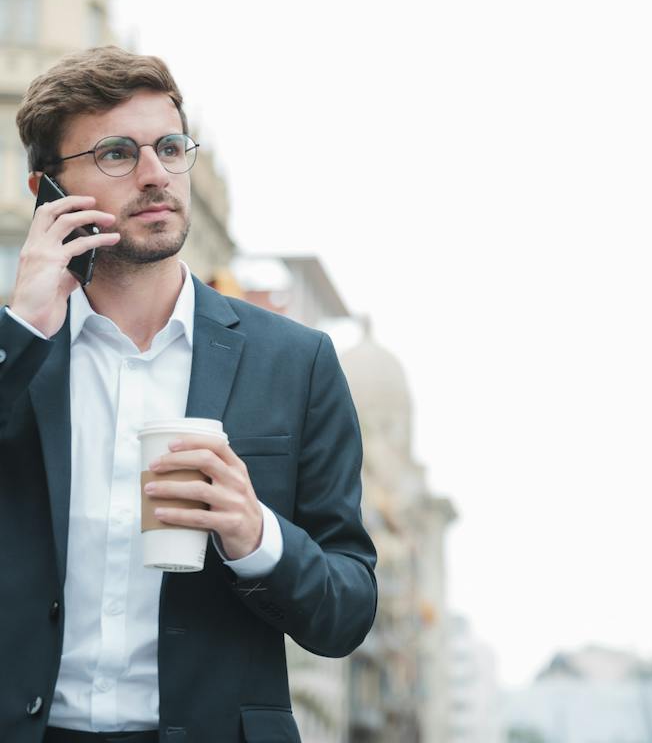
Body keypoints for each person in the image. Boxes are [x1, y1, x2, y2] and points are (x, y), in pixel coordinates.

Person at [0, 46, 377, 743]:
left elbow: (347, 612)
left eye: (170, 147)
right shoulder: (16, 350)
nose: (155, 175)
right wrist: (21, 328)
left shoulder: (296, 362)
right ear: (46, 190)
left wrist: (255, 534)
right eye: (117, 153)